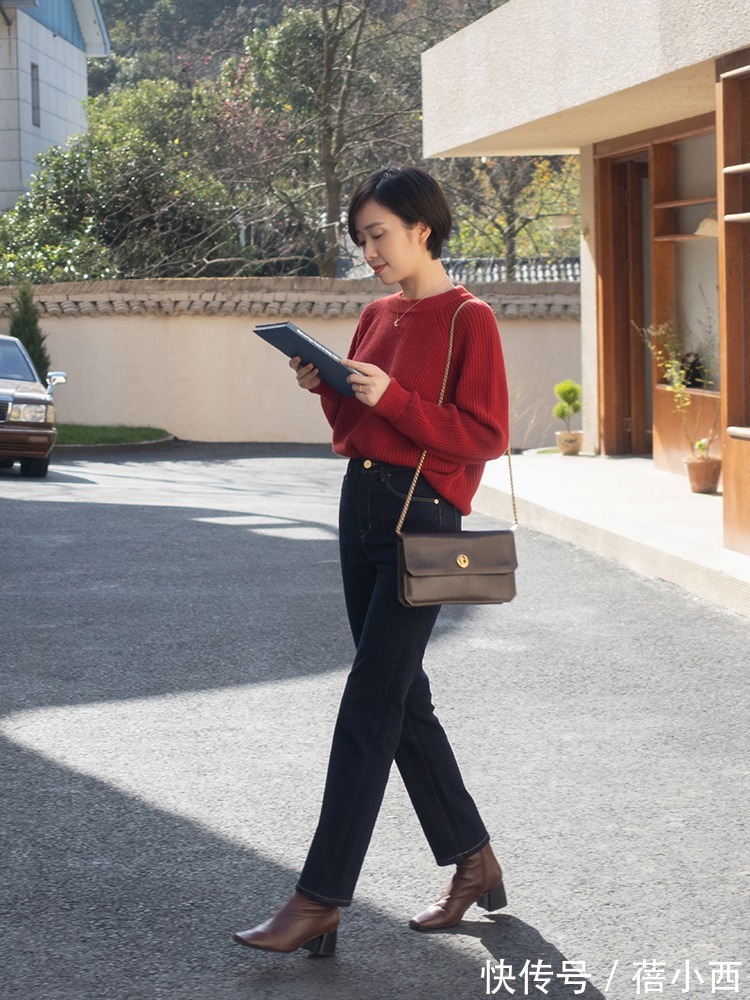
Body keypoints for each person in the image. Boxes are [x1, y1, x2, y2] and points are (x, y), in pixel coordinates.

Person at [234, 165, 510, 956]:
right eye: (361, 239)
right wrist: (326, 383)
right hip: (360, 505)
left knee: (368, 703)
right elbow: (360, 416)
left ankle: (320, 897)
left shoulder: (470, 319)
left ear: (423, 227)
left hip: (425, 517)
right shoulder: (375, 312)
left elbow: (484, 435)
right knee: (401, 700)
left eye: (379, 234)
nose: (370, 251)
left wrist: (390, 396)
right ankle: (474, 859)